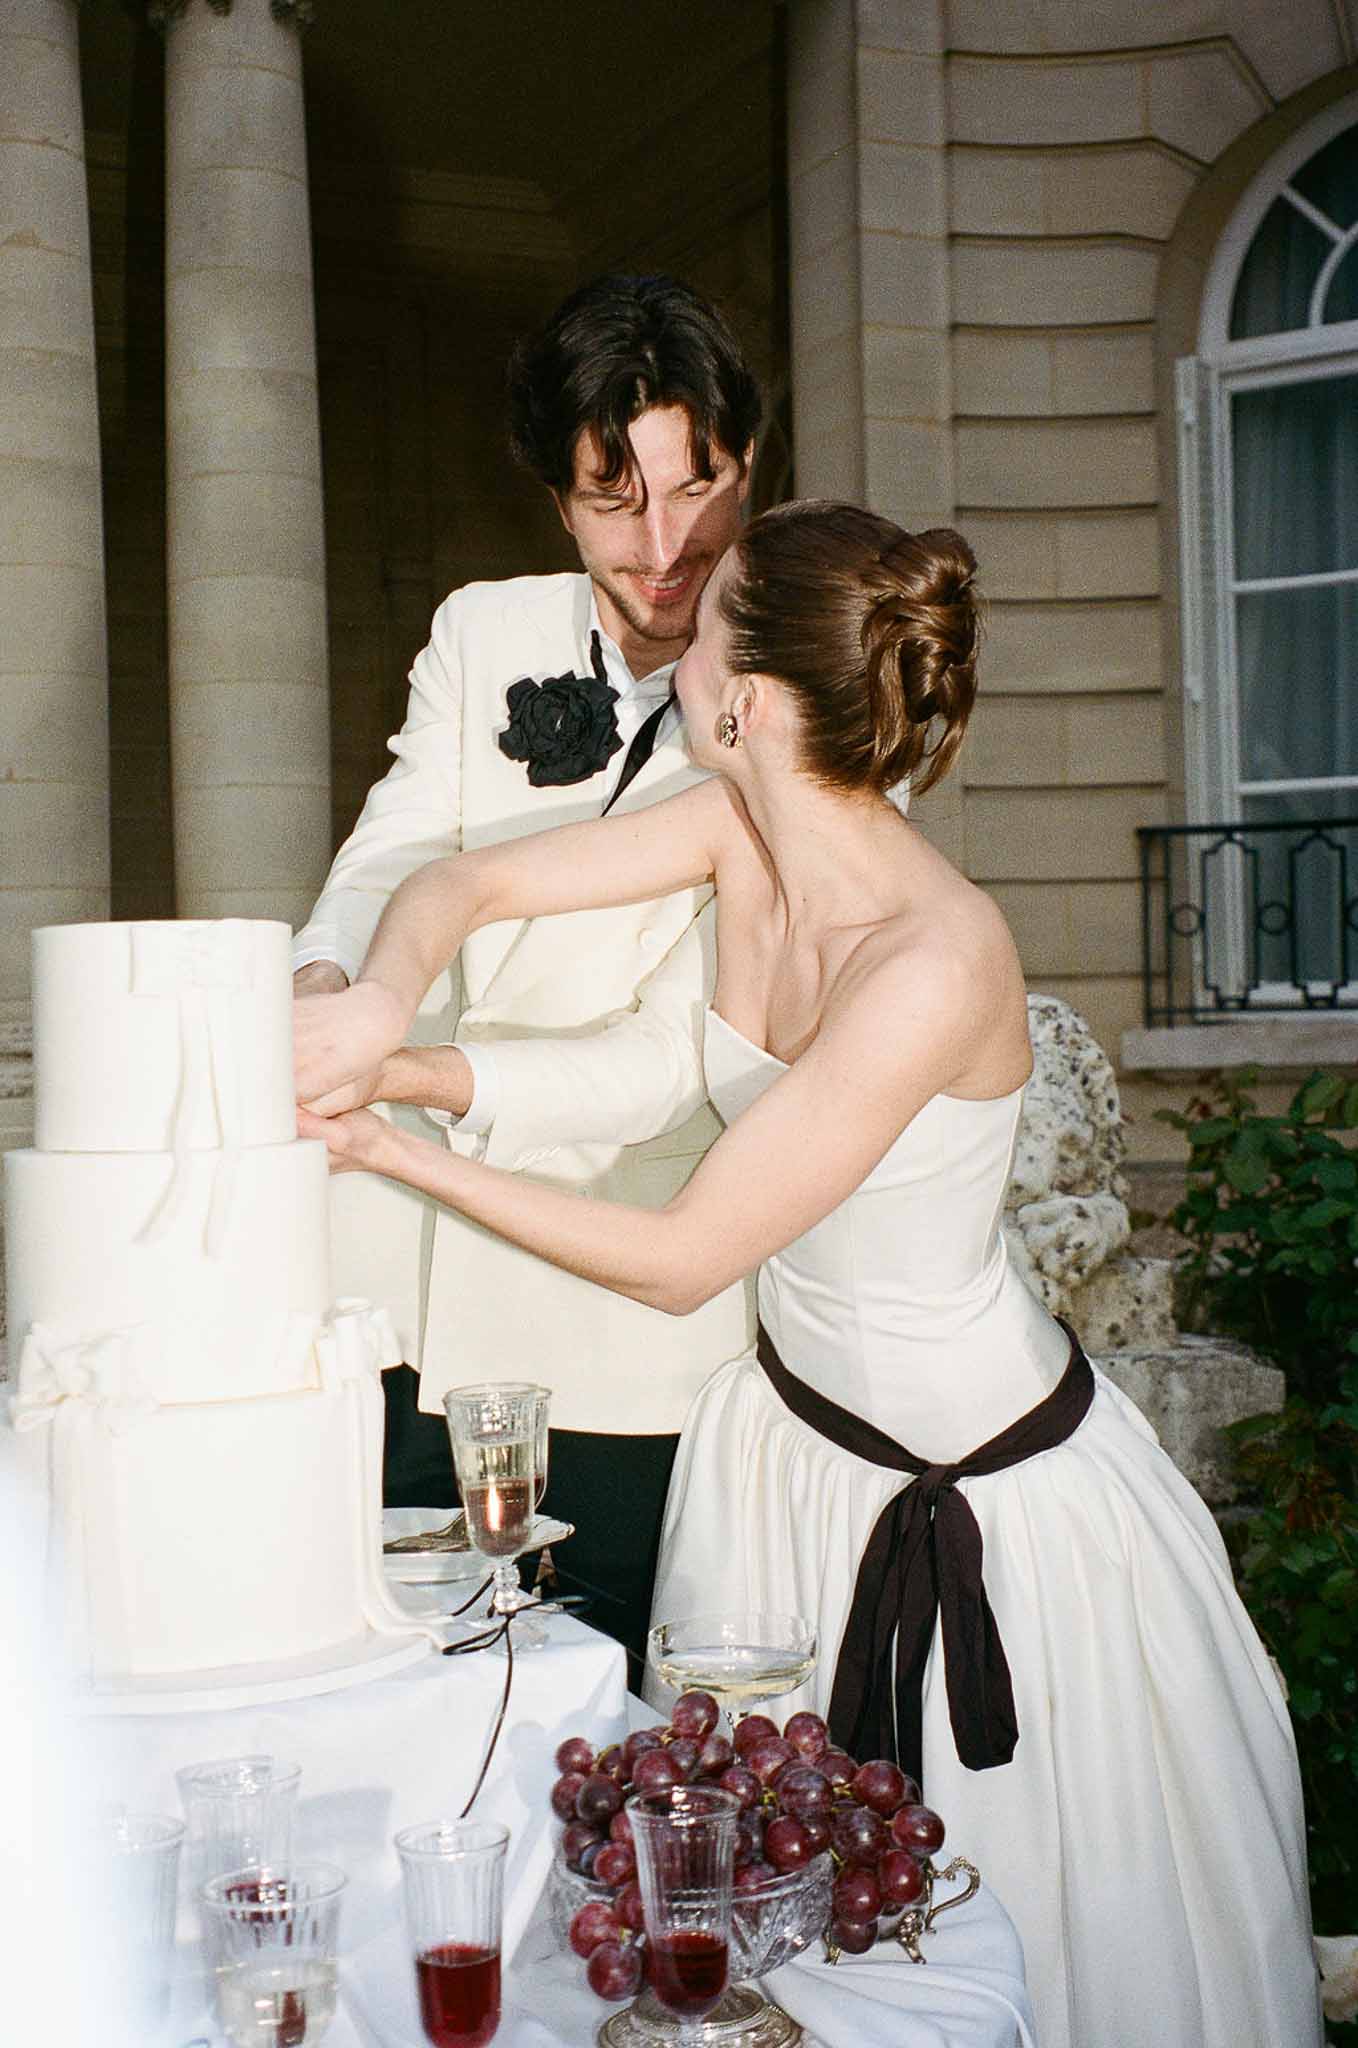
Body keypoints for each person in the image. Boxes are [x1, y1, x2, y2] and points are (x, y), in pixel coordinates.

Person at [295, 497, 1323, 2048]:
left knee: (1033, 1934)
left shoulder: (936, 957)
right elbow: (456, 888)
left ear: (747, 700)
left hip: (987, 1503)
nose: (674, 641)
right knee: (765, 1941)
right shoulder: (736, 826)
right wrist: (382, 1018)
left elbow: (684, 1256)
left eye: (706, 621)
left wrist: (394, 1149)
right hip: (782, 1457)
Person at [292, 274, 762, 1679]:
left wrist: (409, 1071)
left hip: (613, 1327)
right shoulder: (480, 629)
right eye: (615, 501)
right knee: (398, 1686)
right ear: (558, 500)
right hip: (394, 1292)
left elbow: (670, 1061)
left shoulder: (821, 695)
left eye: (698, 488)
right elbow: (392, 848)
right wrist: (326, 988)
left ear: (748, 464)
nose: (665, 548)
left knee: (597, 1717)